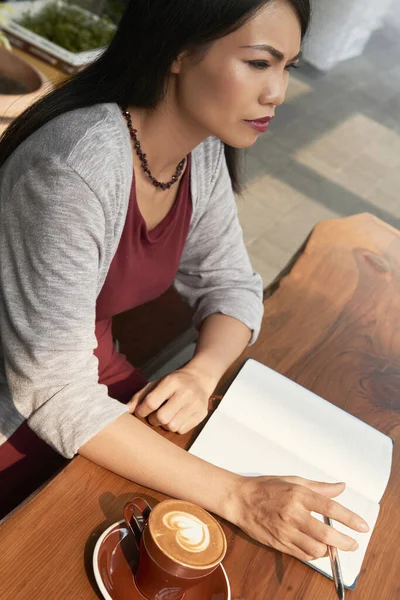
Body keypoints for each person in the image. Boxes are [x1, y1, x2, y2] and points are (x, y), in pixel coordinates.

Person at [0, 0, 369, 560]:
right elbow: (51, 390)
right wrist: (240, 497)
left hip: (93, 387)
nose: (277, 93)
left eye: (287, 67)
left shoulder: (199, 151)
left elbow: (232, 284)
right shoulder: (72, 170)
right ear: (177, 51)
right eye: (258, 63)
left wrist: (201, 372)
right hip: (20, 414)